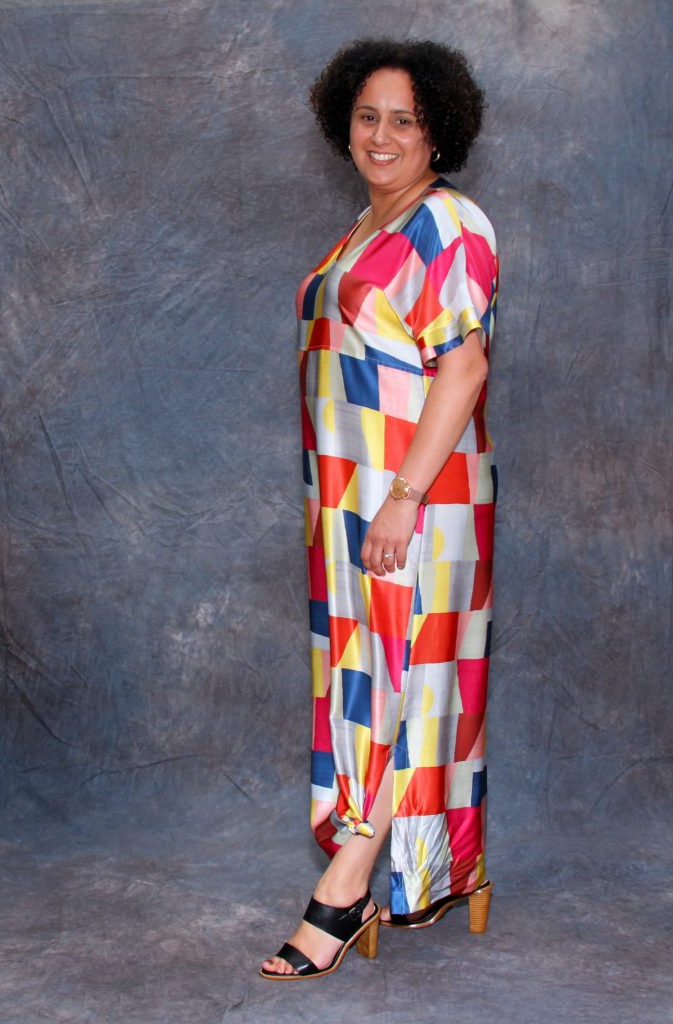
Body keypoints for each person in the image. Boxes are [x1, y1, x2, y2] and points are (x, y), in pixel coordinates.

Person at [260, 37, 499, 980]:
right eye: (367, 116)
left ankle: (347, 883)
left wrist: (402, 498)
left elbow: (462, 368)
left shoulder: (448, 223)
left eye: (405, 118)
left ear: (439, 131)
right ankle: (417, 870)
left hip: (418, 497)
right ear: (343, 124)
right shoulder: (363, 227)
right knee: (368, 679)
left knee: (405, 681)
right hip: (349, 498)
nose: (382, 134)